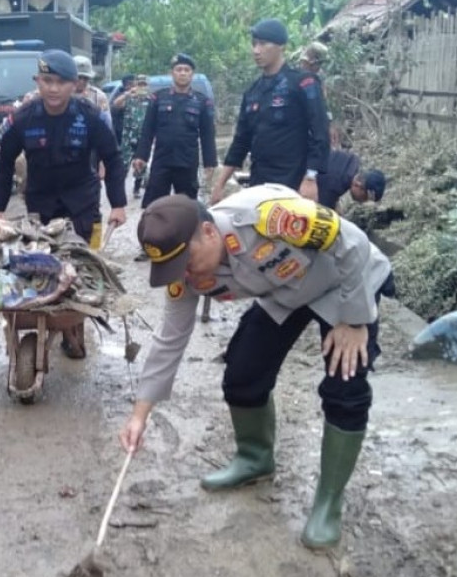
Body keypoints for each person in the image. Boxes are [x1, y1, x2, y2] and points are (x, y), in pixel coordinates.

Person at [120, 189, 393, 550]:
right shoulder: (184, 271)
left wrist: (355, 319)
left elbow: (353, 243)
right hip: (287, 293)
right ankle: (255, 458)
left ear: (209, 232)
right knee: (243, 373)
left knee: (346, 383)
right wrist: (140, 414)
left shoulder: (270, 217)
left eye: (186, 260)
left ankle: (329, 502)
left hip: (345, 281)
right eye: (173, 267)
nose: (183, 274)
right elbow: (170, 338)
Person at [0, 49, 127, 358]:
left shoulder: (88, 116)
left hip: (83, 203)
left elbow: (113, 159)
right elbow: (4, 163)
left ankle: (74, 325)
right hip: (41, 204)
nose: (53, 88)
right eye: (47, 80)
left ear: (75, 84)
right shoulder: (24, 118)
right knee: (44, 266)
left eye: (61, 82)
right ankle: (52, 321)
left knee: (83, 265)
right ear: (38, 82)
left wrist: (118, 204)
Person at [211, 19, 330, 204]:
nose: (256, 50)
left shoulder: (303, 83)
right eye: (254, 44)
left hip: (294, 182)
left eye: (263, 44)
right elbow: (240, 142)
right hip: (259, 183)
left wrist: (310, 178)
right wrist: (219, 184)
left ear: (281, 46)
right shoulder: (253, 92)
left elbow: (320, 131)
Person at [133, 53, 217, 207]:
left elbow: (207, 134)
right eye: (179, 69)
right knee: (155, 207)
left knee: (187, 209)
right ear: (172, 73)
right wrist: (141, 156)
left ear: (192, 74)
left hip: (187, 162)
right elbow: (148, 130)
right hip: (161, 161)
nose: (183, 73)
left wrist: (209, 162)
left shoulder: (202, 101)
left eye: (187, 70)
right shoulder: (158, 98)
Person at [317, 124, 386, 210]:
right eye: (363, 198)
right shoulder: (335, 184)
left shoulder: (351, 160)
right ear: (358, 184)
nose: (361, 202)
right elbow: (321, 207)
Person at [114, 73, 153, 199]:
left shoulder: (151, 100)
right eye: (139, 84)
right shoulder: (129, 98)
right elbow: (116, 105)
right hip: (128, 138)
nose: (141, 86)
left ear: (147, 86)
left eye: (144, 84)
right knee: (122, 166)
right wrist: (128, 93)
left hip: (143, 139)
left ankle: (136, 189)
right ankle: (119, 191)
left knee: (141, 165)